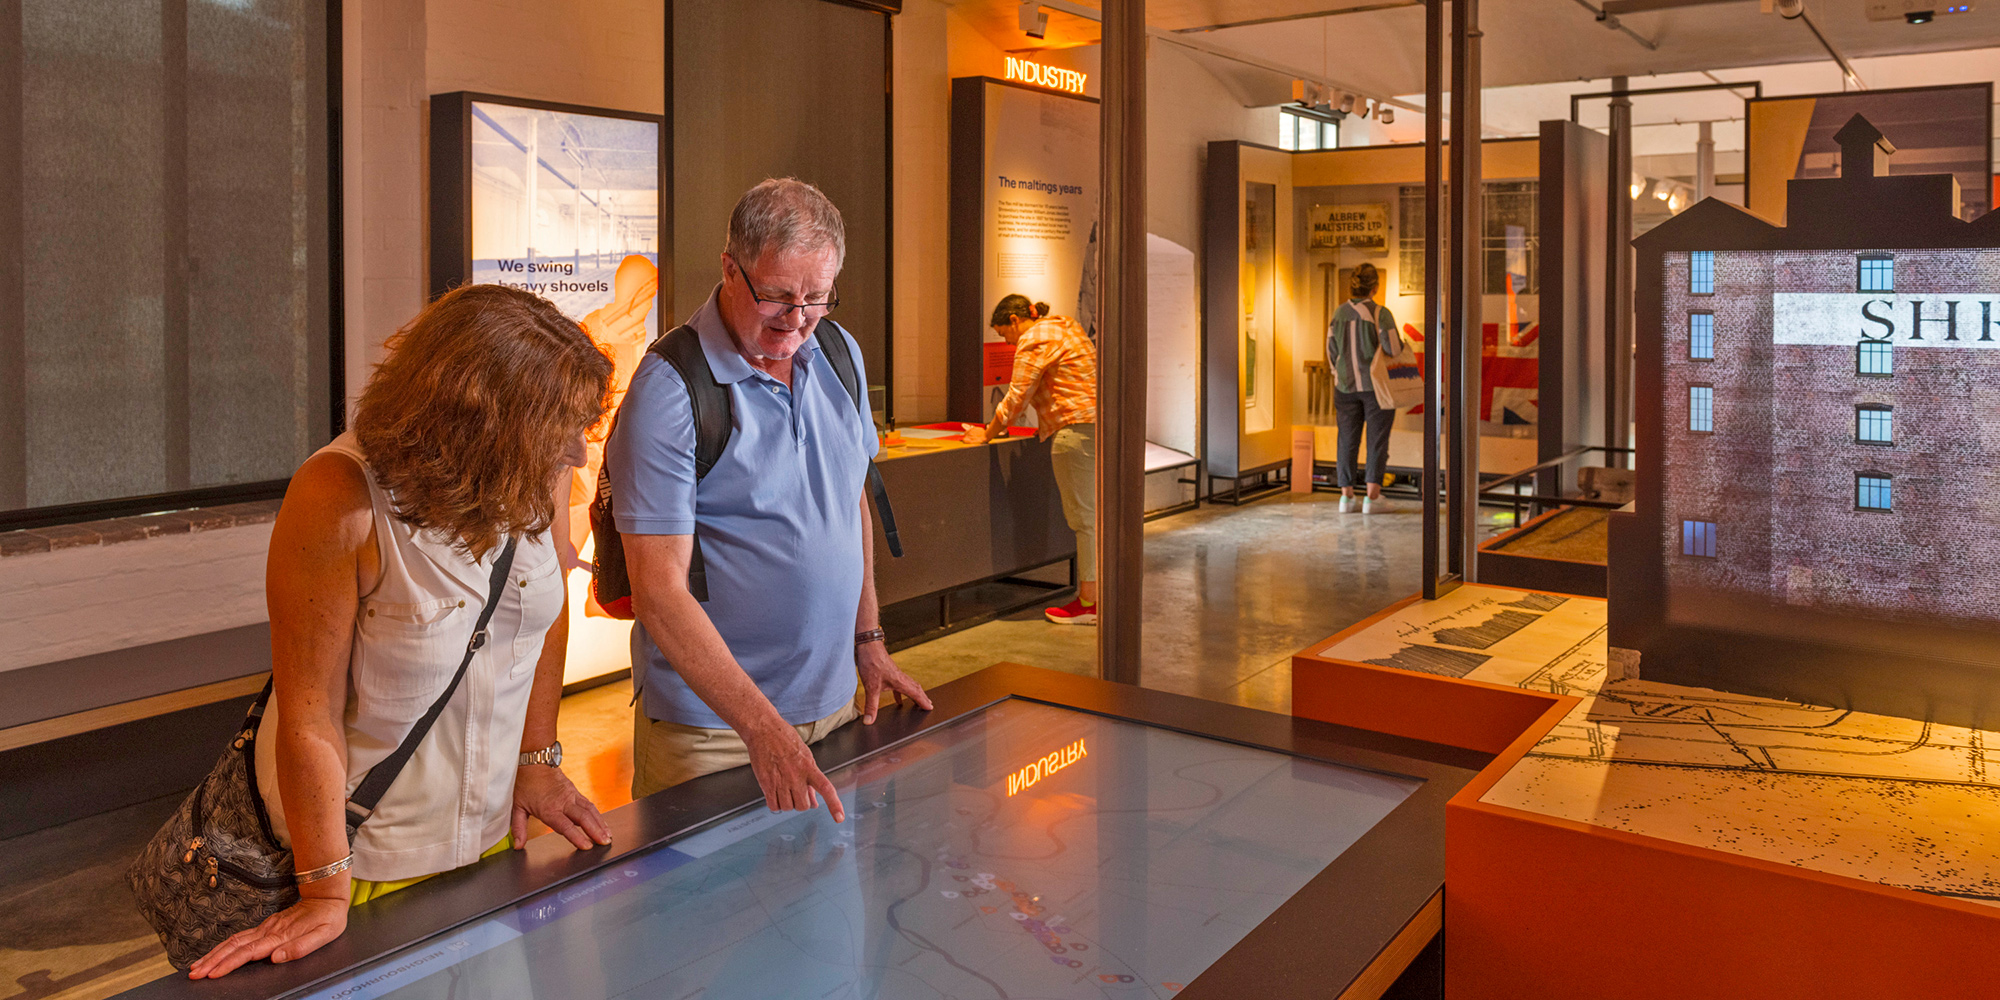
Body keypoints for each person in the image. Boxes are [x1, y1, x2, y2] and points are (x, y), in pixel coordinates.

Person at [188, 285, 617, 979]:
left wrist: (536, 760)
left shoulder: (528, 471)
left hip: (488, 839)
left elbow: (541, 607)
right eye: (557, 431)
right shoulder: (339, 497)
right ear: (481, 421)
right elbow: (307, 715)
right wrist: (324, 890)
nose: (575, 454)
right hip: (366, 862)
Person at [609, 177, 933, 808]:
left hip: (836, 706)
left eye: (818, 297)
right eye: (779, 296)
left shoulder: (838, 351)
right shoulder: (670, 390)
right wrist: (761, 727)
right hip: (715, 732)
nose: (798, 318)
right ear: (730, 269)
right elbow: (658, 592)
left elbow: (849, 500)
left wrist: (868, 640)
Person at [964, 296, 1099, 625]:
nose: (1007, 343)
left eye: (1004, 334)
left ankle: (1090, 602)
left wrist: (987, 433)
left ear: (1014, 320)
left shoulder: (1034, 339)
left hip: (1074, 431)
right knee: (1097, 517)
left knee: (1085, 520)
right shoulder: (1067, 327)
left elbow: (1016, 398)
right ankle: (1102, 595)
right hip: (1098, 429)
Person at [1326, 262, 1403, 514]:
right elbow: (1393, 348)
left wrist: (1338, 374)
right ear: (1375, 287)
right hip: (1375, 387)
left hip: (1344, 387)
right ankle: (1372, 497)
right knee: (1376, 440)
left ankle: (1346, 498)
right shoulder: (1381, 313)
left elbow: (1331, 350)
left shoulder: (1338, 313)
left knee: (1347, 439)